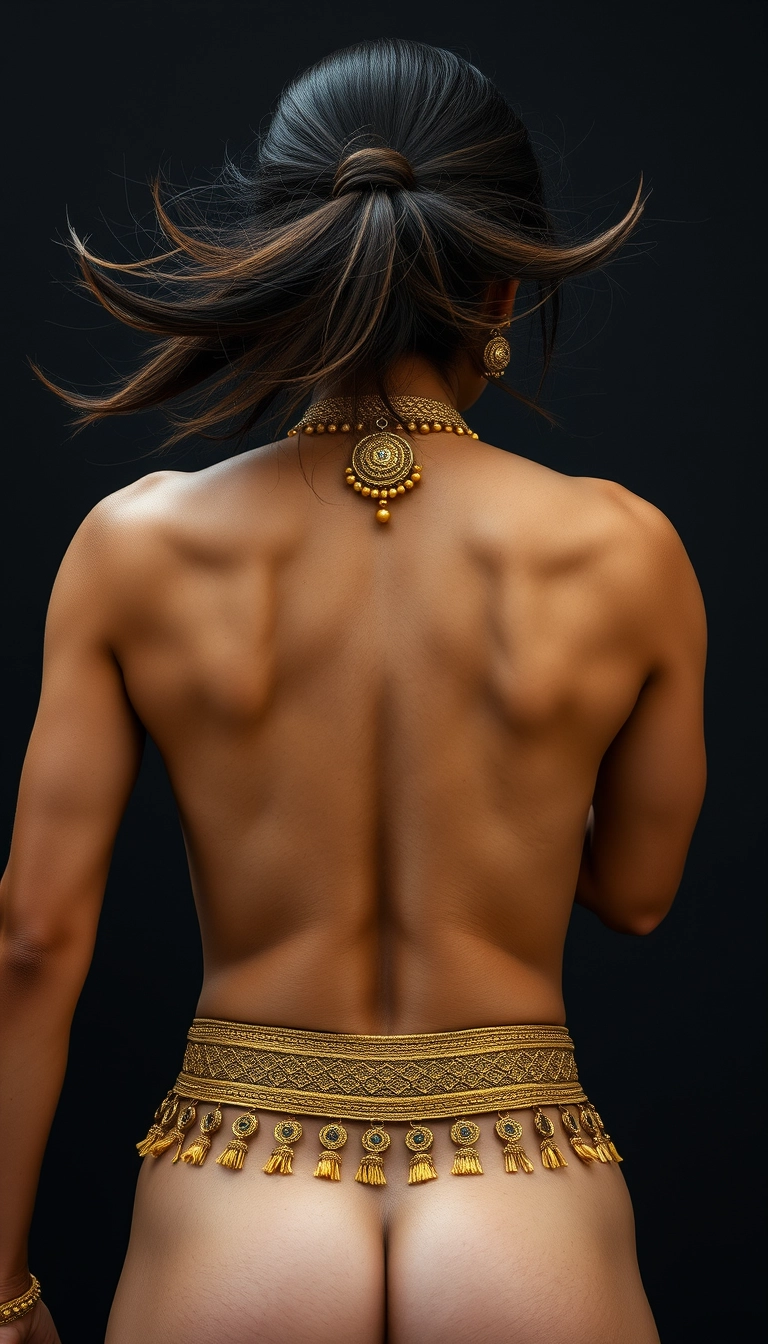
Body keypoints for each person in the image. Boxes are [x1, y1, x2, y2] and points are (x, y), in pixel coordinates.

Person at [0, 37, 706, 1344]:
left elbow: (36, 939)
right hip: (523, 1191)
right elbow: (640, 897)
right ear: (503, 283)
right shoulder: (626, 550)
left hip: (241, 1187)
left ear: (287, 270)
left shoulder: (137, 545)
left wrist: (0, 1289)